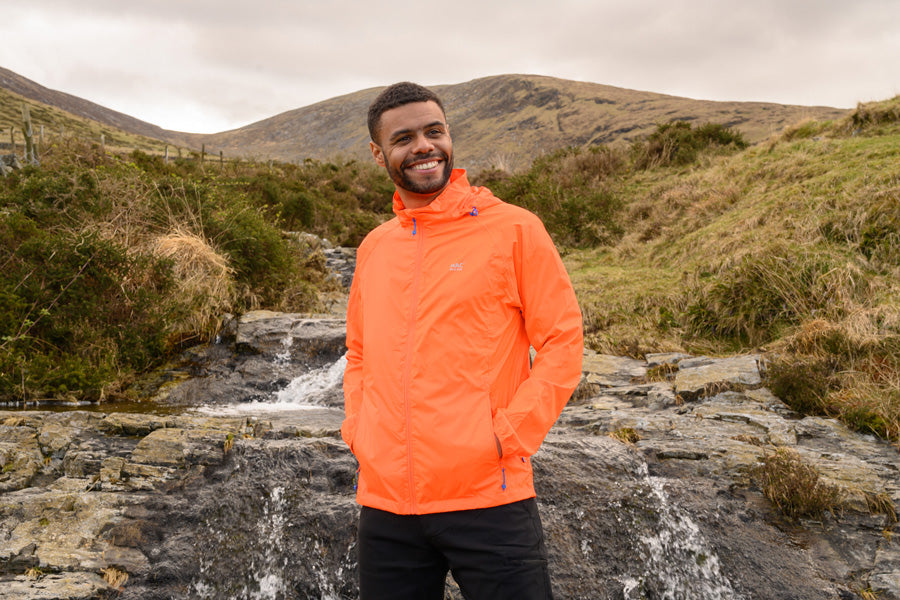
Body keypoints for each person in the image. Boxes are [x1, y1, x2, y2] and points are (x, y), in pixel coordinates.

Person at [341, 81, 584, 600]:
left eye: (435, 131)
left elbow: (563, 341)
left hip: (489, 499)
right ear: (378, 153)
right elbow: (359, 354)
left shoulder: (516, 230)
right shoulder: (374, 248)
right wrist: (360, 432)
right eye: (404, 138)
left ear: (450, 136)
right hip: (387, 507)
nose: (424, 146)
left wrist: (510, 434)